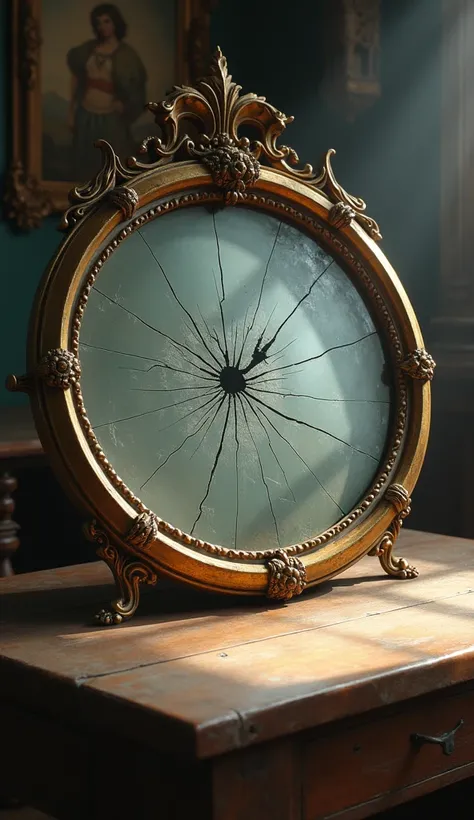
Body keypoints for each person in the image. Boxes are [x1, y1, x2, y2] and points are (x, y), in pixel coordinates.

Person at [67, 3, 147, 181]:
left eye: (106, 21)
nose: (102, 26)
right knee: (84, 164)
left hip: (110, 119)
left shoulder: (127, 55)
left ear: (115, 23)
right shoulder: (88, 50)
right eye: (98, 23)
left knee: (111, 167)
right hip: (86, 116)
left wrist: (125, 105)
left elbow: (138, 89)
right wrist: (72, 111)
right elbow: (76, 78)